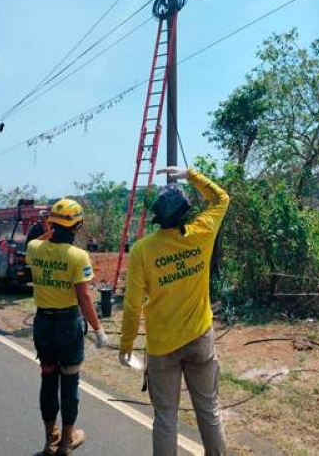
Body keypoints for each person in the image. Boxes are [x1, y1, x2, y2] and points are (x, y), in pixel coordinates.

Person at [119, 166, 230, 456]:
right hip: (199, 339)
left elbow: (132, 306)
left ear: (158, 217)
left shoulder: (143, 250)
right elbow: (221, 198)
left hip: (162, 346)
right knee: (209, 410)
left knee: (165, 418)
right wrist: (190, 175)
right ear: (186, 213)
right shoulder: (202, 232)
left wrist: (126, 346)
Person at [27, 198, 109, 456]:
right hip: (68, 325)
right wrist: (98, 329)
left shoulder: (34, 248)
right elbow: (84, 297)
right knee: (70, 382)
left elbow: (42, 239)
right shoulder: (78, 256)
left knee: (48, 380)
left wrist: (50, 227)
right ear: (77, 226)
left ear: (51, 222)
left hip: (43, 325)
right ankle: (66, 441)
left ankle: (50, 440)